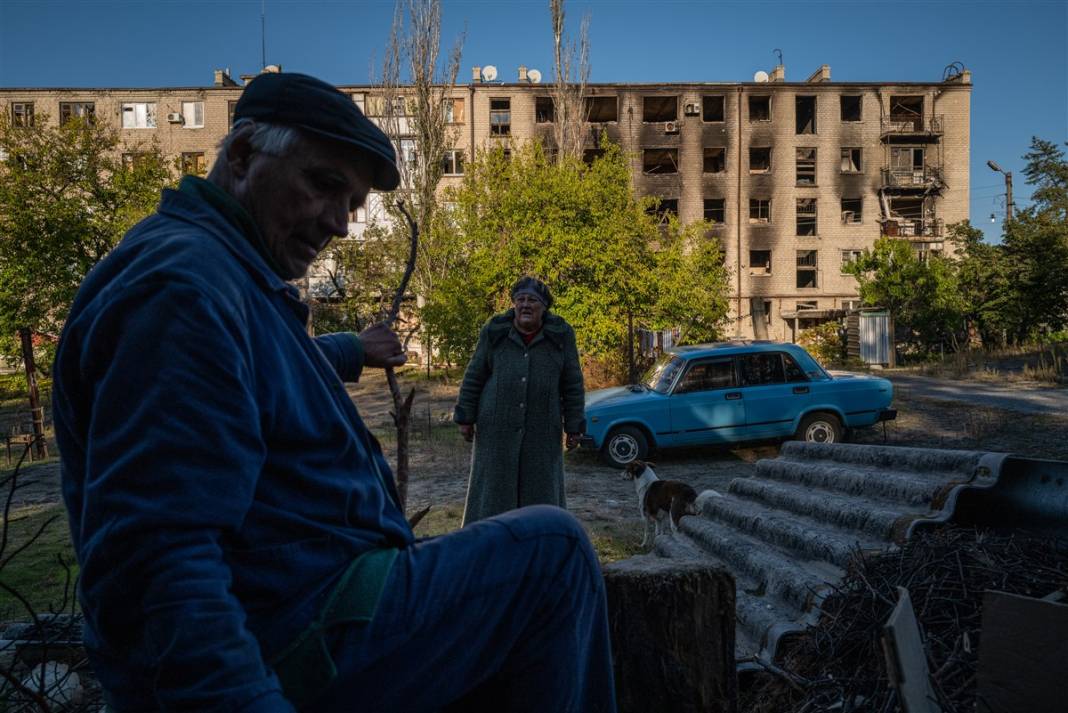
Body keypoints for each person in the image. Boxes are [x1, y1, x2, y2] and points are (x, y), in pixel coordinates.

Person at [53, 72, 614, 712]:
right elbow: (158, 564)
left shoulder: (218, 272)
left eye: (351, 205)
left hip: (310, 609)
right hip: (296, 642)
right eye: (323, 186)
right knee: (554, 552)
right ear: (241, 156)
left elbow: (247, 376)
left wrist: (351, 350)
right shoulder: (180, 292)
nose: (339, 226)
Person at [455, 277, 586, 525]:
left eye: (532, 300)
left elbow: (572, 382)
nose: (525, 305)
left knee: (541, 497)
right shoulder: (494, 332)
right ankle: (487, 546)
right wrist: (465, 417)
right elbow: (474, 375)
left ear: (544, 306)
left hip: (542, 431)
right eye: (520, 300)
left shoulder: (561, 335)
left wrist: (575, 425)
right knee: (491, 496)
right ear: (514, 304)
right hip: (496, 430)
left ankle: (540, 548)